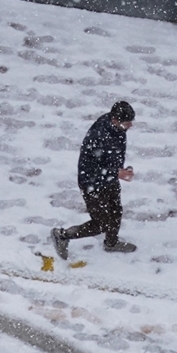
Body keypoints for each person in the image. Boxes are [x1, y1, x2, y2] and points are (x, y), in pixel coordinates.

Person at [51, 101, 137, 259]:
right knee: (101, 223)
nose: (130, 125)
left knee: (116, 211)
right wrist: (116, 172)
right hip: (92, 184)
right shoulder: (98, 135)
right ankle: (62, 236)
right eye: (127, 122)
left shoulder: (118, 129)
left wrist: (122, 169)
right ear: (115, 120)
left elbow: (114, 154)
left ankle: (111, 243)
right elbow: (92, 167)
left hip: (109, 179)